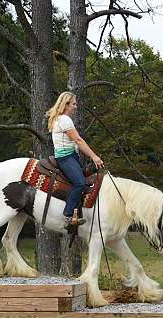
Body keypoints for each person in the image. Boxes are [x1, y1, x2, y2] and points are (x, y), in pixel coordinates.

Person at [46, 92, 104, 229]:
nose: (76, 107)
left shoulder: (59, 119)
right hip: (66, 158)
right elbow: (78, 140)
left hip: (71, 156)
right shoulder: (65, 120)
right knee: (79, 183)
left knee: (85, 176)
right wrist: (94, 157)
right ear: (66, 105)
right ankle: (68, 215)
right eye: (73, 104)